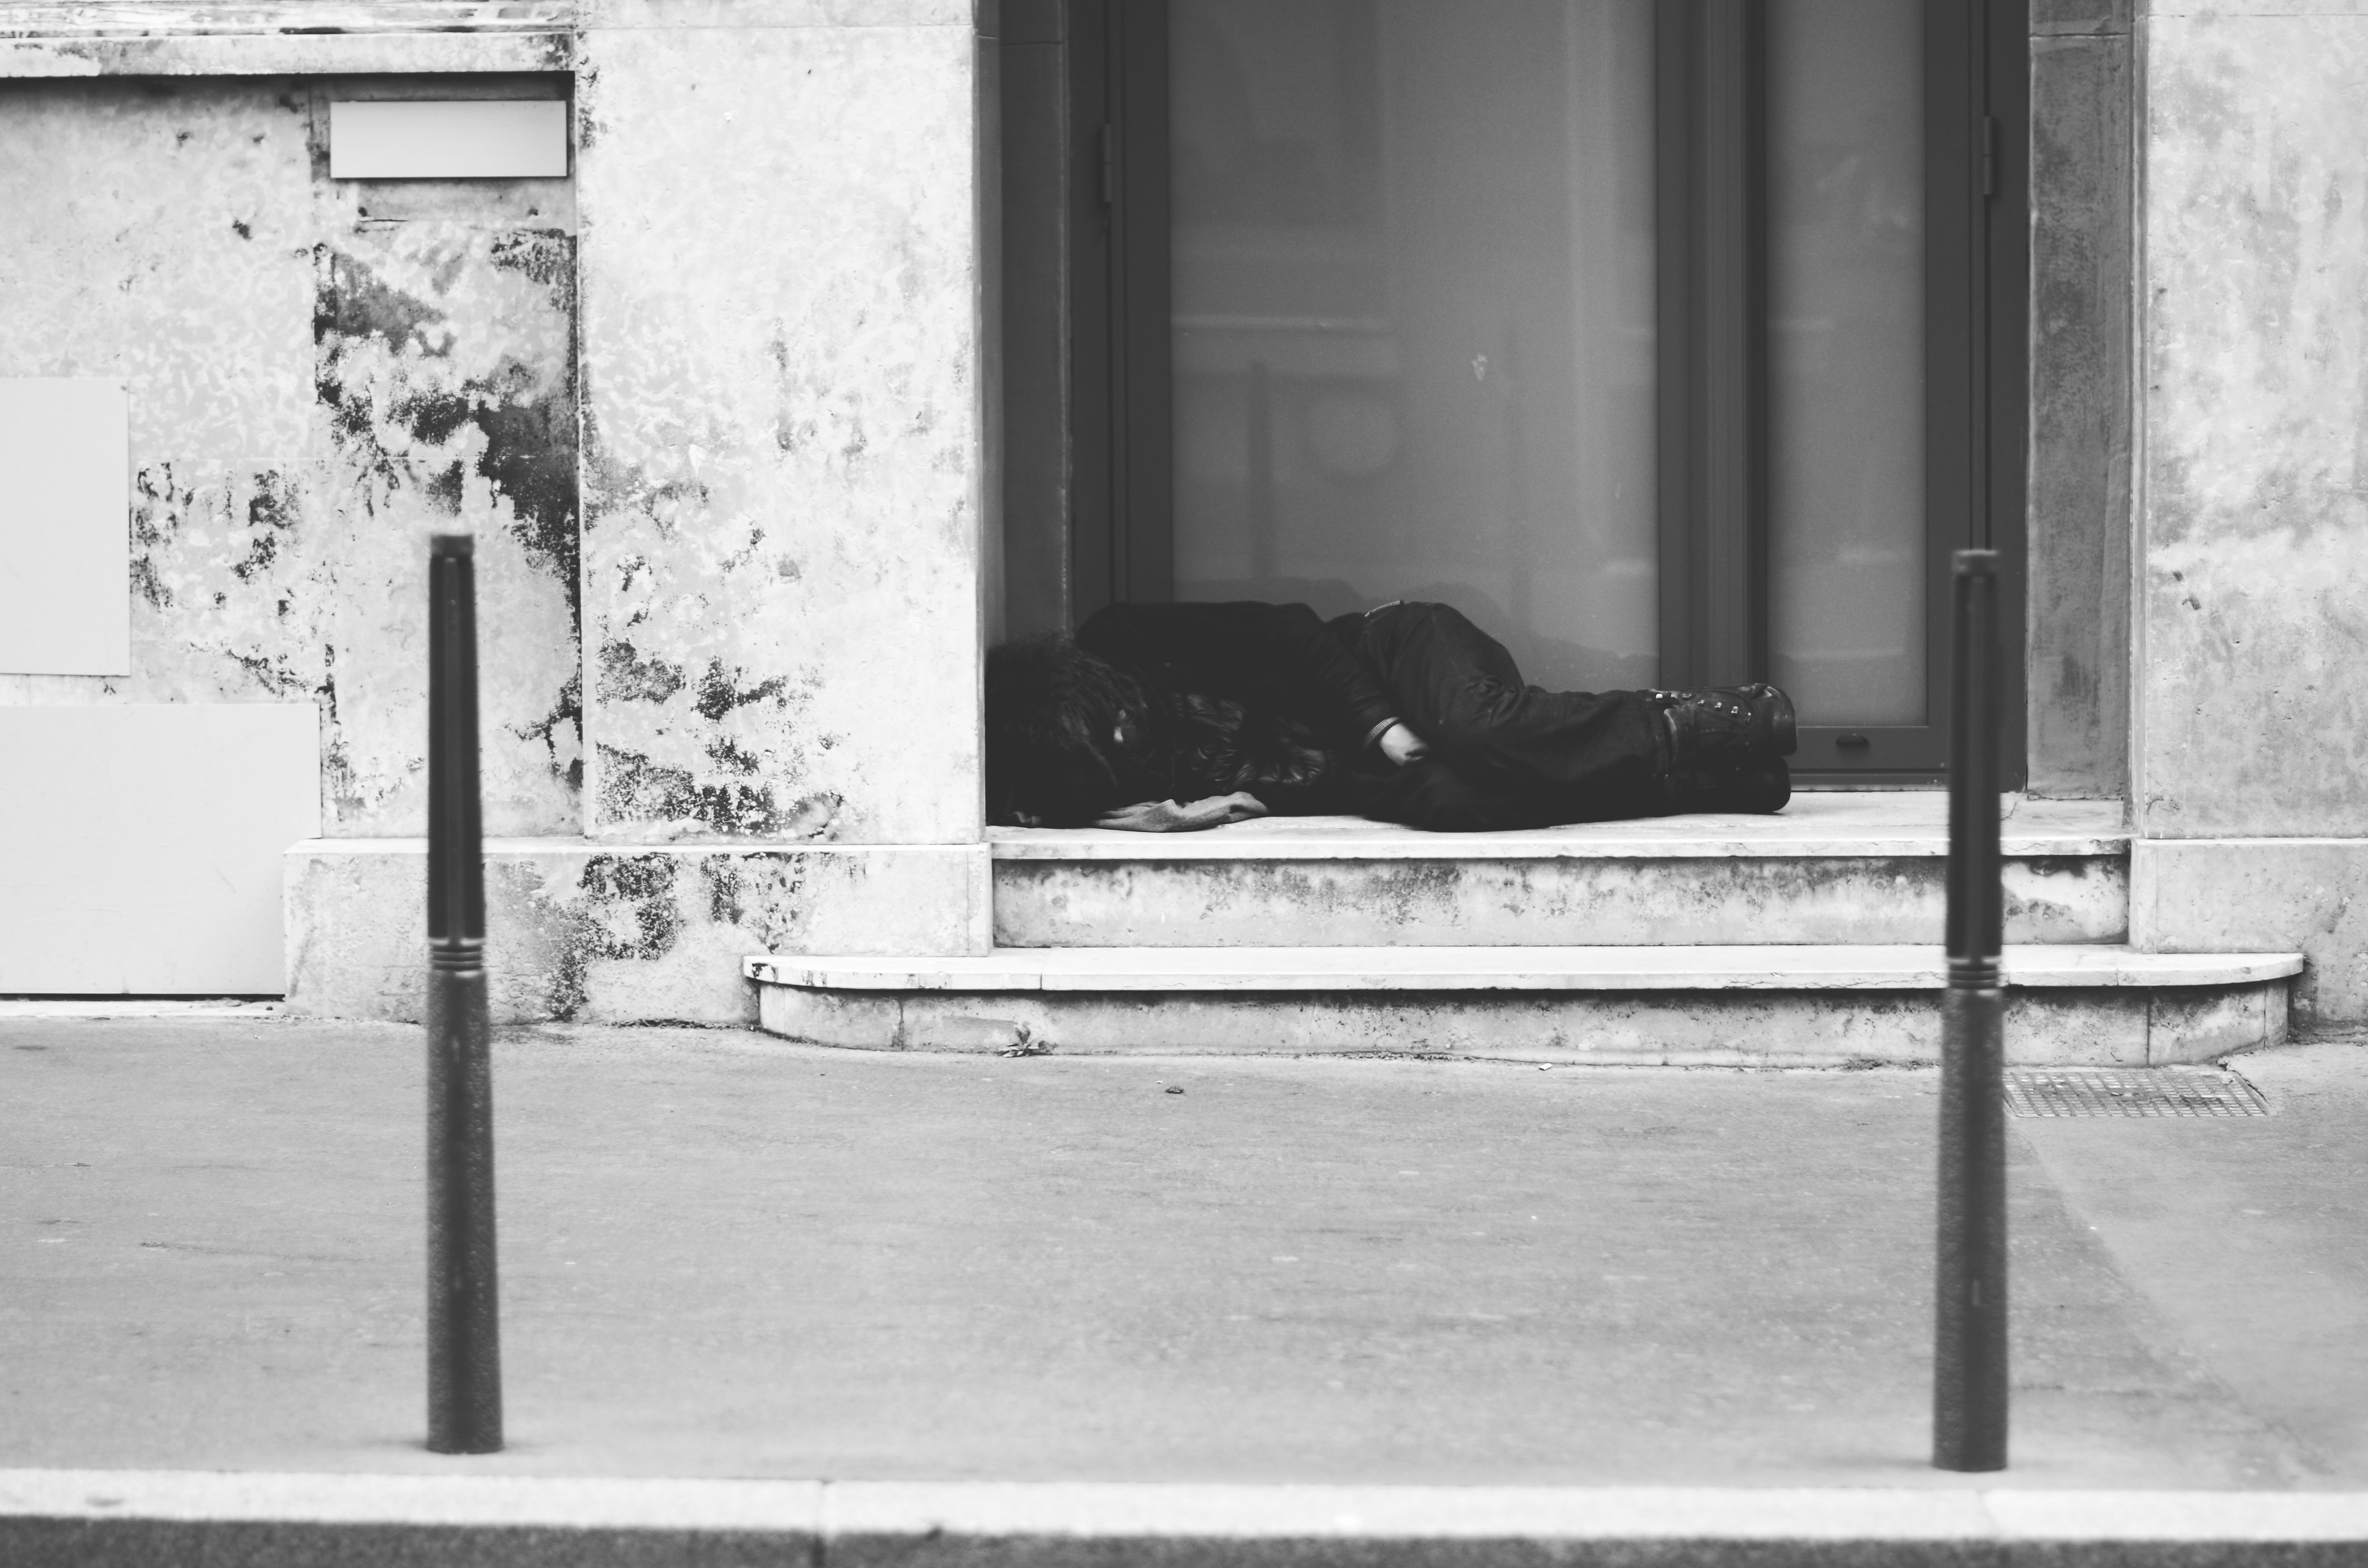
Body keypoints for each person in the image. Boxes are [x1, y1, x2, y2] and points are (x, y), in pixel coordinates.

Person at [985, 599, 1795, 832]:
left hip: (1388, 659)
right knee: (1459, 801)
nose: (1133, 729)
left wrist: (1379, 724)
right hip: (1372, 772)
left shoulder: (1121, 639)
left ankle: (1721, 723)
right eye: (1113, 743)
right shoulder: (1095, 788)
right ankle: (1722, 781)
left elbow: (1290, 631)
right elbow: (1311, 786)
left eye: (1122, 710)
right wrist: (1224, 809)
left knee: (1482, 730)